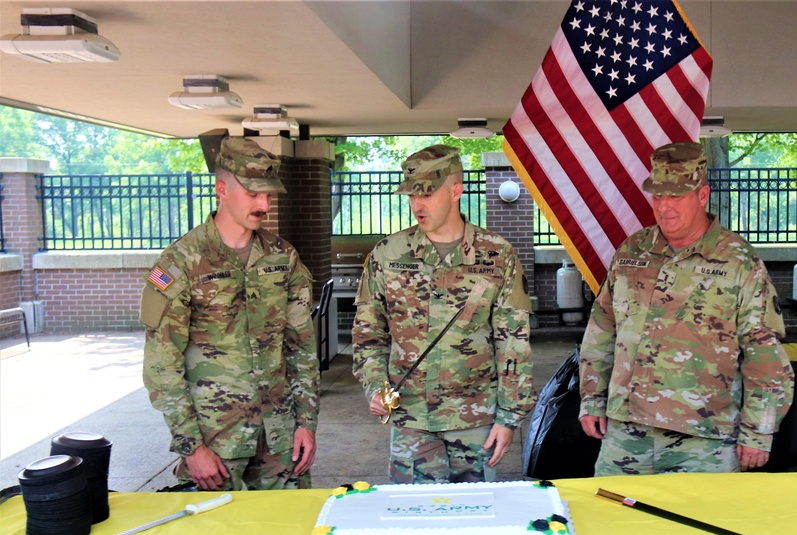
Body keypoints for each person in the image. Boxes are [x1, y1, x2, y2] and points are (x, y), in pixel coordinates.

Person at [578, 141, 794, 475]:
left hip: (703, 438)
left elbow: (763, 352)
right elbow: (603, 328)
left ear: (702, 195)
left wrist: (759, 430)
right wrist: (592, 398)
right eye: (658, 197)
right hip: (626, 430)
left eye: (676, 197)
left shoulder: (738, 261)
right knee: (615, 522)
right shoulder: (633, 251)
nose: (664, 208)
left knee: (699, 525)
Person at [141, 137, 320, 491]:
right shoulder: (182, 261)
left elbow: (301, 347)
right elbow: (163, 363)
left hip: (280, 439)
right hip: (216, 440)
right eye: (253, 193)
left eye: (269, 194)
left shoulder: (282, 257)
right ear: (221, 188)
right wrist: (191, 447)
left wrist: (306, 422)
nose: (264, 203)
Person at [352, 144, 535, 484]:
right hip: (411, 419)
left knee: (475, 523)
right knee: (414, 520)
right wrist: (376, 386)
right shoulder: (388, 254)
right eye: (411, 195)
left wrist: (509, 416)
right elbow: (368, 334)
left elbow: (513, 343)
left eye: (427, 194)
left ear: (455, 191)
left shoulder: (497, 255)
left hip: (476, 419)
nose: (417, 205)